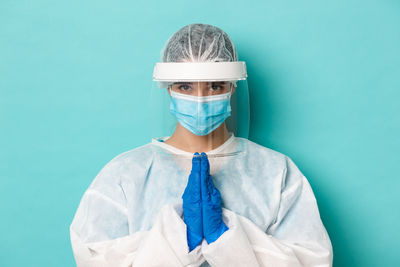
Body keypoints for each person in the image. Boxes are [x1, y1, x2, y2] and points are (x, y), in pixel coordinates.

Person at [70, 23, 333, 267]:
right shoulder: (124, 175)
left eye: (215, 85)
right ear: (167, 88)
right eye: (185, 86)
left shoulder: (276, 173)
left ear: (232, 88)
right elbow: (93, 258)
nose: (200, 99)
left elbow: (311, 260)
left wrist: (225, 237)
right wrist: (179, 238)